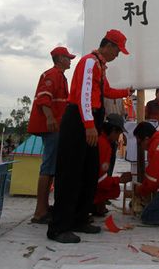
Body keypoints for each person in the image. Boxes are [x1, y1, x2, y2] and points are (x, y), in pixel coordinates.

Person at [47, 30, 132, 244]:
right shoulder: (89, 63)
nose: (118, 55)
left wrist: (125, 92)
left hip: (89, 120)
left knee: (88, 172)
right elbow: (85, 96)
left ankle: (79, 218)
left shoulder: (100, 66)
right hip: (79, 121)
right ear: (109, 46)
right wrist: (89, 126)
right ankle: (58, 227)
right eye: (118, 51)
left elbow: (105, 91)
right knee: (70, 175)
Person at [27, 46, 75, 224]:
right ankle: (40, 211)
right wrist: (50, 118)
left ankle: (44, 208)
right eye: (68, 58)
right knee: (48, 167)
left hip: (56, 127)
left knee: (51, 167)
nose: (70, 60)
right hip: (52, 127)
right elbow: (44, 98)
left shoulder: (61, 77)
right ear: (60, 58)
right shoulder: (52, 75)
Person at [93, 114, 132, 216]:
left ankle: (96, 205)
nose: (118, 137)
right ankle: (94, 205)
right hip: (87, 187)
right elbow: (100, 181)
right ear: (113, 130)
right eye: (119, 133)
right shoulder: (104, 145)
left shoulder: (100, 139)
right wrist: (119, 180)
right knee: (113, 188)